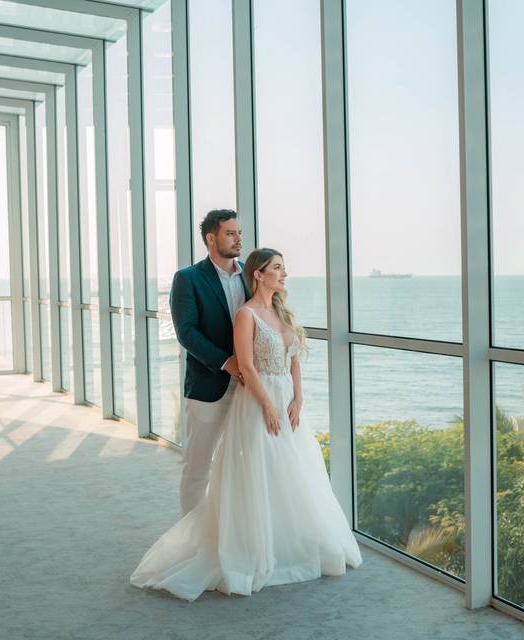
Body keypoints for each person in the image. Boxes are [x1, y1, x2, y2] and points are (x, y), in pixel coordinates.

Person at [131, 248, 361, 601]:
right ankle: (254, 549)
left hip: (288, 403)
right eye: (278, 268)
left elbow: (293, 358)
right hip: (257, 403)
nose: (284, 274)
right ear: (258, 274)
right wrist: (268, 405)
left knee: (293, 473)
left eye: (284, 267)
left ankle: (287, 544)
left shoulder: (282, 312)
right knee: (258, 471)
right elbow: (247, 367)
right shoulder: (246, 315)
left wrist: (298, 398)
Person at [170, 209, 249, 515]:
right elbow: (187, 332)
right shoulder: (187, 278)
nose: (238, 238)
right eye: (231, 233)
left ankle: (235, 529)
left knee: (244, 463)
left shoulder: (251, 275)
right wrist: (226, 362)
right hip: (208, 385)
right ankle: (189, 535)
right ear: (211, 238)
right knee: (198, 466)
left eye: (239, 232)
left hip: (249, 385)